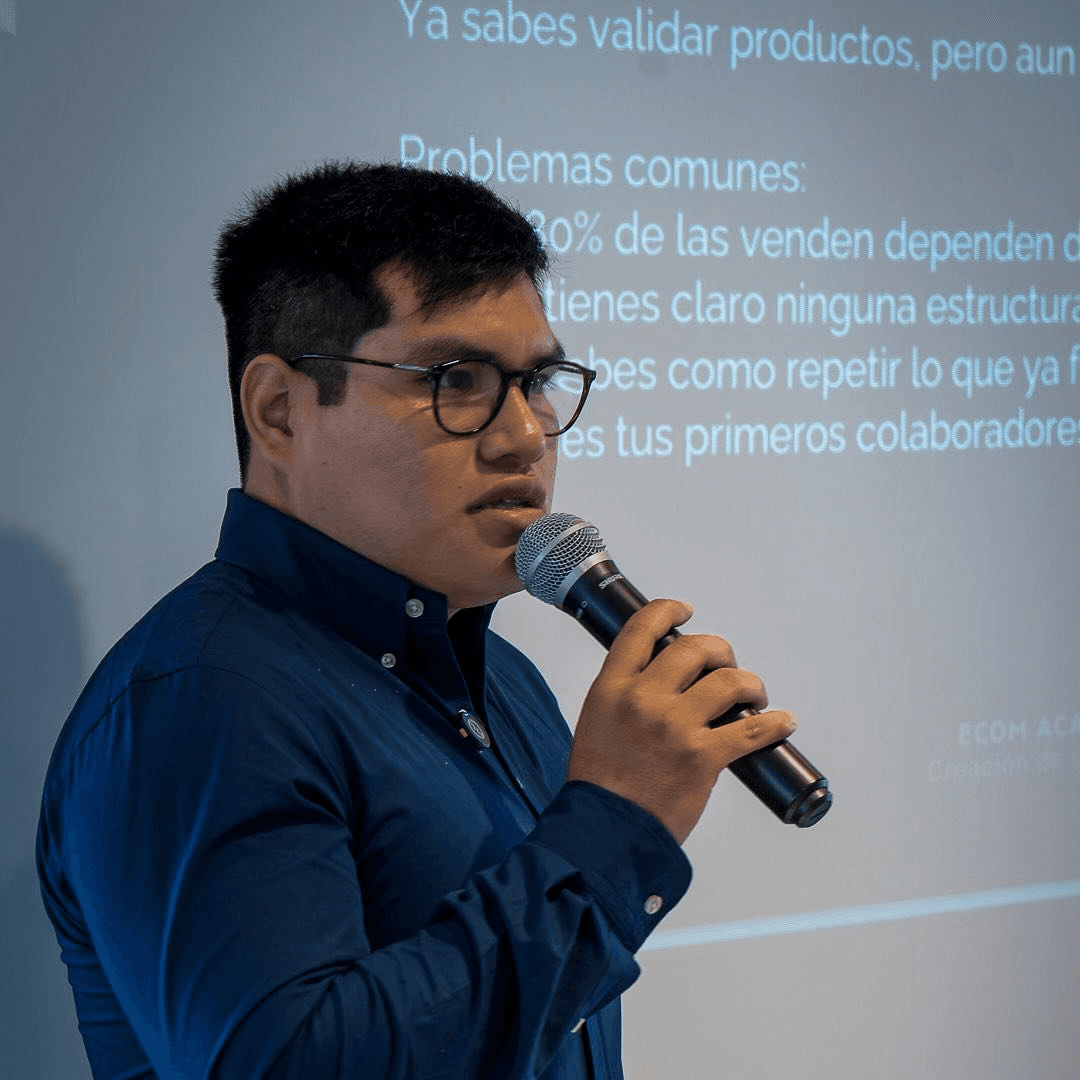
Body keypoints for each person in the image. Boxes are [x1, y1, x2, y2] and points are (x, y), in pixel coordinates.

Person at [36, 162, 795, 1079]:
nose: (523, 435)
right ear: (279, 410)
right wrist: (614, 822)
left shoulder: (501, 676)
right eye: (458, 378)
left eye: (539, 380)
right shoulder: (203, 699)